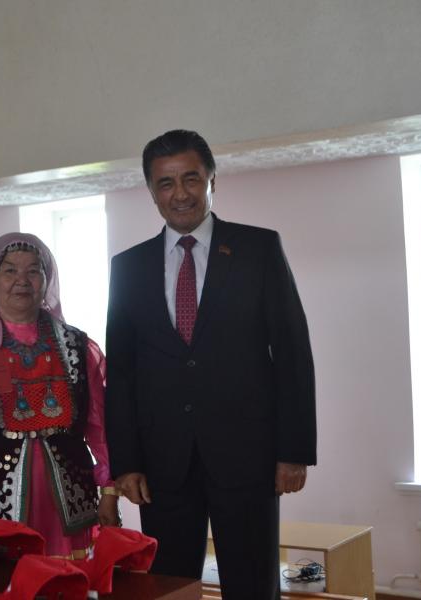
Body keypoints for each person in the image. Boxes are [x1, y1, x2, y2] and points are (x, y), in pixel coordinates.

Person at [104, 129, 316, 598]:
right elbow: (120, 374)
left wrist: (294, 450)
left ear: (212, 181)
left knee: (252, 585)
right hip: (162, 466)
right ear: (151, 192)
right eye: (165, 183)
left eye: (191, 179)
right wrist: (126, 463)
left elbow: (292, 353)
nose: (180, 194)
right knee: (171, 587)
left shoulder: (258, 249)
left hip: (249, 458)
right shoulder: (128, 267)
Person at [0, 232, 120, 558]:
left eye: (34, 270)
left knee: (64, 582)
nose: (22, 280)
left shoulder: (75, 344)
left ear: (47, 280)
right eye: (10, 270)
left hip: (67, 503)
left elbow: (100, 426)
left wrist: (109, 490)